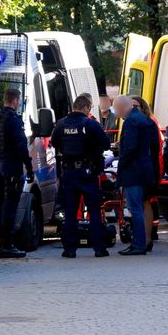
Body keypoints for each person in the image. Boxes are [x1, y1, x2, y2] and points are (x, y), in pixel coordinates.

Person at [51, 93, 111, 258]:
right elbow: (106, 144)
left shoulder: (61, 124)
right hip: (87, 172)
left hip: (69, 172)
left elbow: (55, 143)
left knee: (70, 212)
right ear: (85, 108)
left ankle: (69, 249)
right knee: (94, 210)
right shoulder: (90, 124)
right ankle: (99, 248)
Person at [0, 87, 33, 259]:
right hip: (12, 166)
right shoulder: (13, 119)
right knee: (10, 206)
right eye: (19, 100)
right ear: (15, 100)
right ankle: (7, 244)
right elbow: (21, 146)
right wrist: (29, 168)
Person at [113, 94, 160, 255]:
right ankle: (139, 242)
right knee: (138, 207)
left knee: (135, 208)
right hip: (142, 169)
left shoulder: (131, 121)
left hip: (133, 171)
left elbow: (131, 148)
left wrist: (122, 163)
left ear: (121, 107)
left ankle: (138, 244)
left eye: (116, 109)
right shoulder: (141, 118)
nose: (116, 112)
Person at [133, 96, 163, 251]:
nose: (132, 108)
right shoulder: (140, 122)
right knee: (142, 203)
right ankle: (143, 238)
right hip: (142, 168)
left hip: (147, 169)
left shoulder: (147, 123)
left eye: (135, 105)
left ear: (142, 107)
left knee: (145, 203)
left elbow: (152, 149)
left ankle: (146, 238)